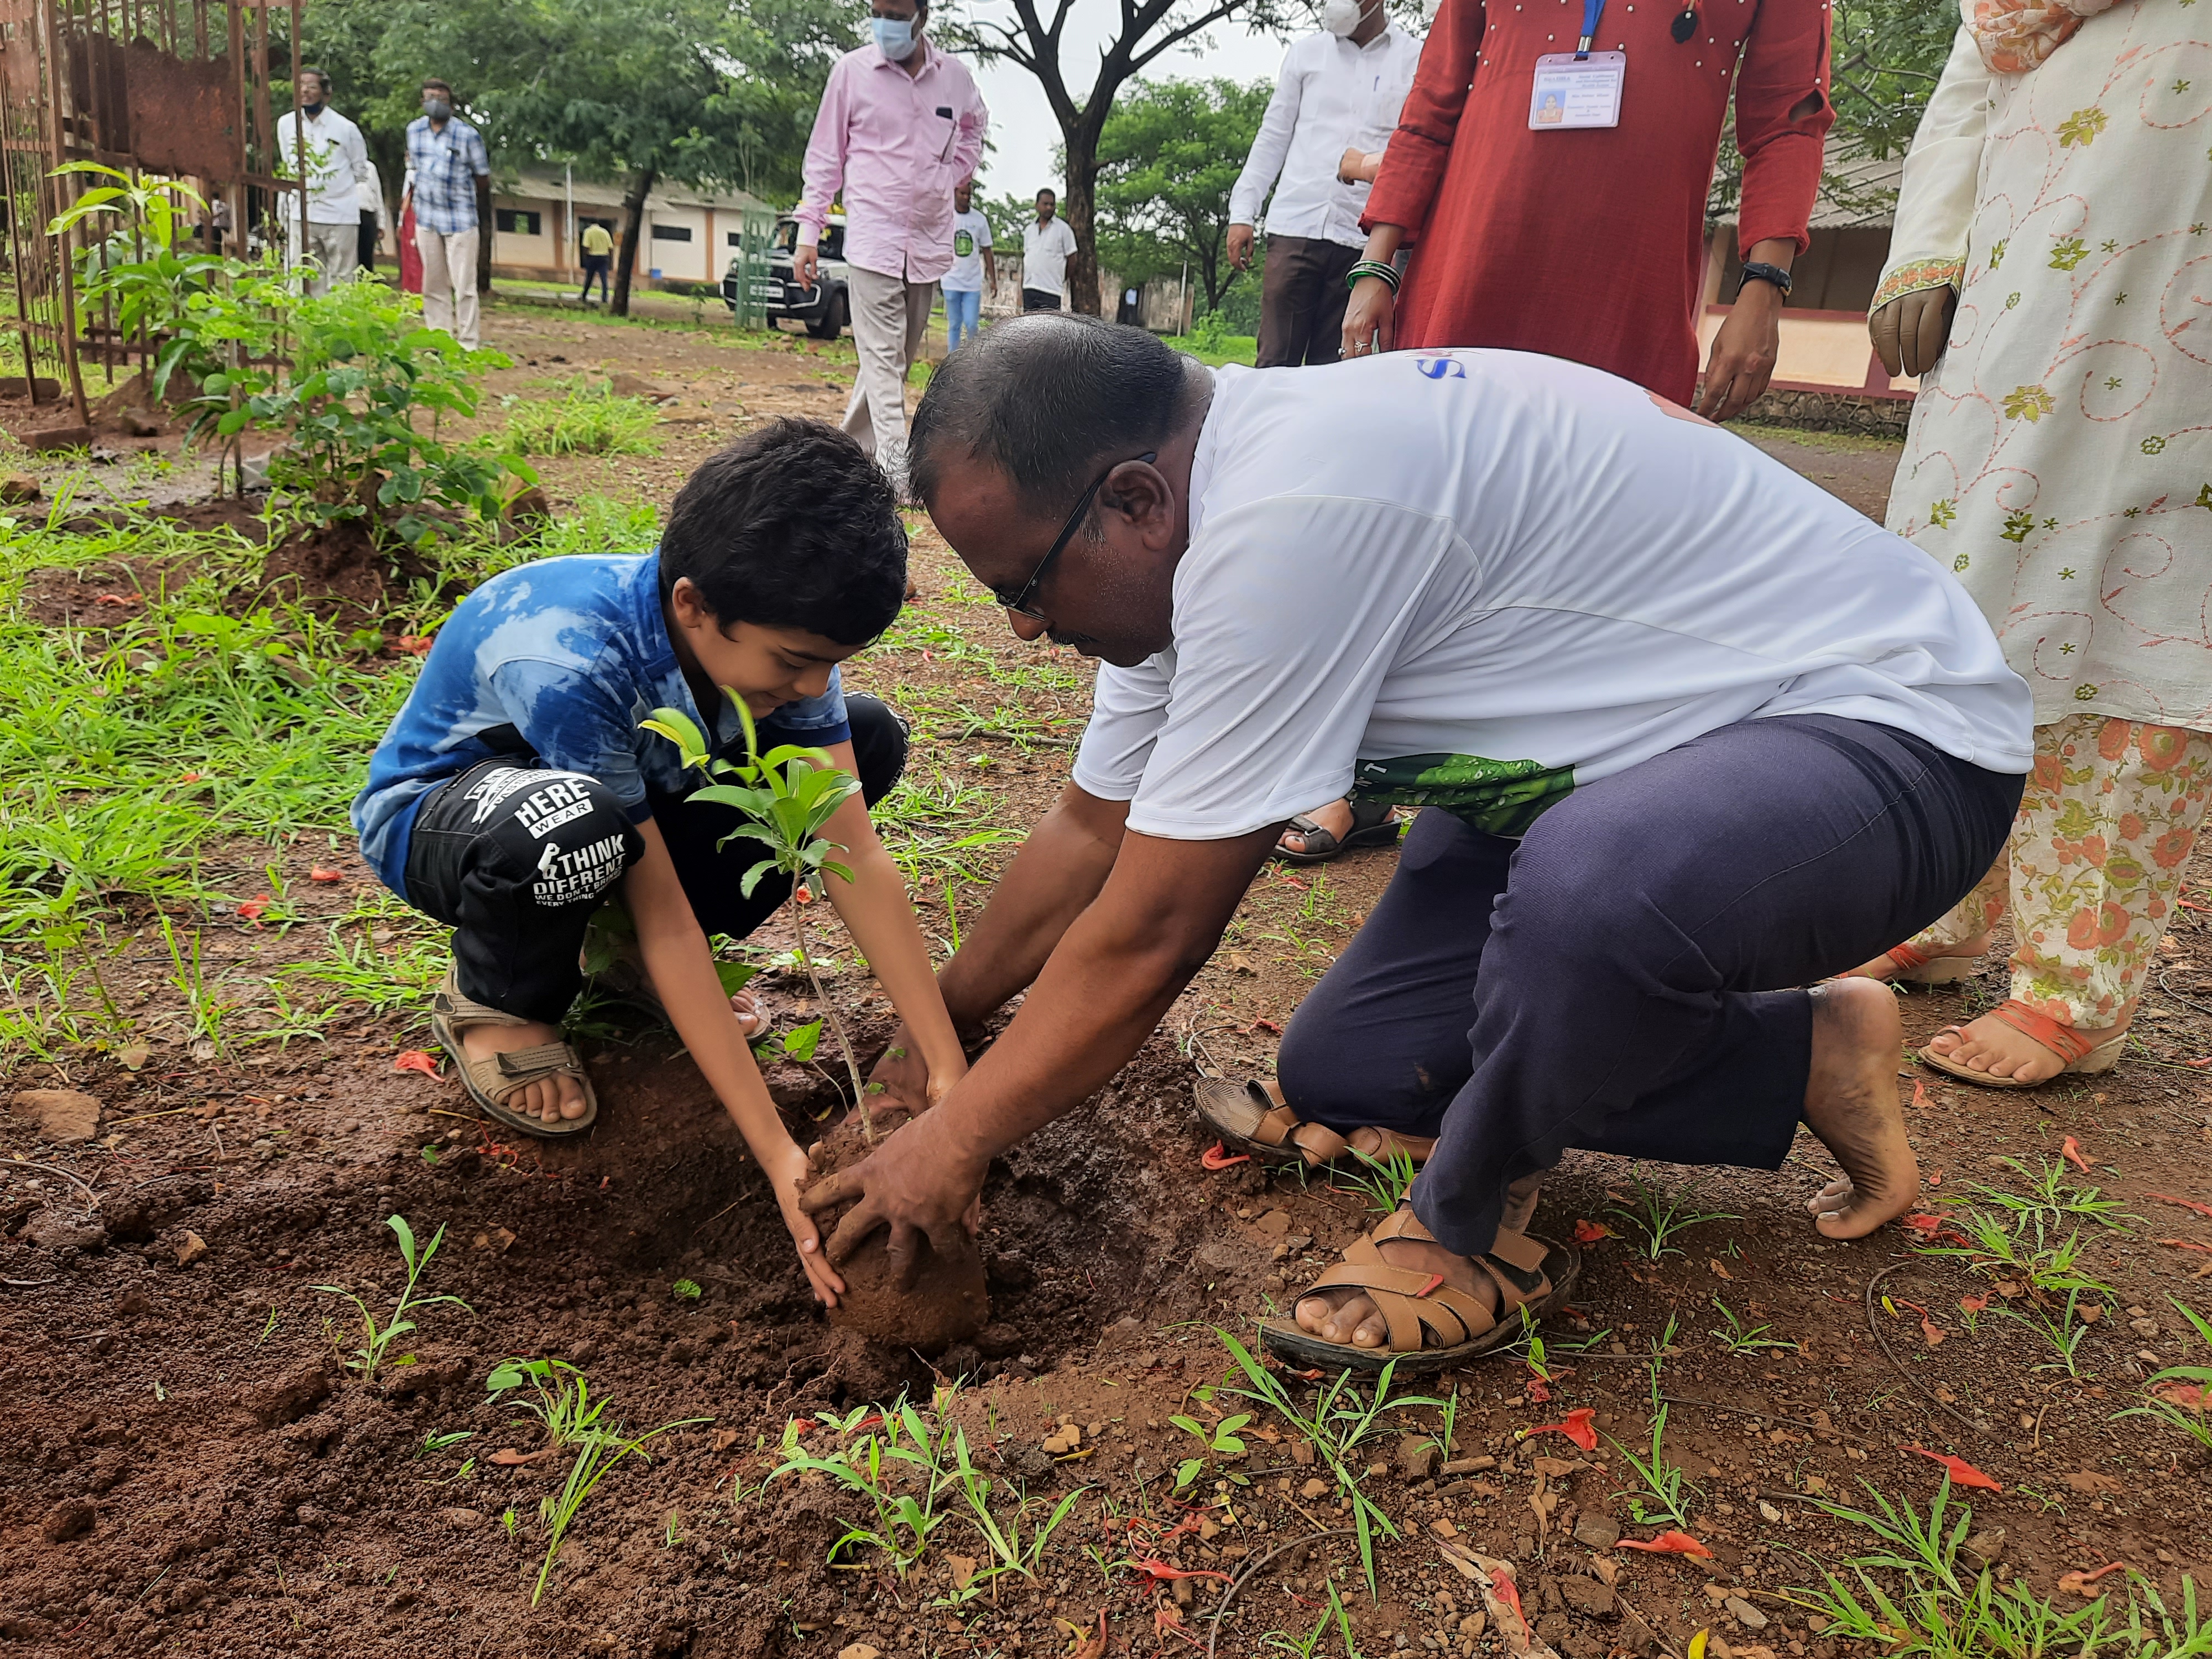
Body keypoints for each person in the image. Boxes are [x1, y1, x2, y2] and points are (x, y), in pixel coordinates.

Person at [800, 316, 2031, 1366]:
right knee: (1358, 1067)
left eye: (1024, 586)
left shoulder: (1288, 515)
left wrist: (951, 1143)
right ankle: (1801, 1054)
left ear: (1133, 498)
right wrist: (936, 1032)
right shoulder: (1169, 545)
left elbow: (1154, 932)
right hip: (1620, 770)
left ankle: (1467, 1226)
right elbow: (1090, 831)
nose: (1019, 628)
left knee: (1588, 894)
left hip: (1884, 741)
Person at [349, 421, 969, 1304]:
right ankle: (499, 1002)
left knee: (860, 743)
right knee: (573, 824)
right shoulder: (571, 656)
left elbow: (852, 850)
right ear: (692, 605)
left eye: (826, 662)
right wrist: (779, 1155)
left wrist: (946, 1063)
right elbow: (669, 914)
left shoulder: (780, 630)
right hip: (457, 818)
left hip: (620, 807)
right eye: (794, 662)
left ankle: (617, 964)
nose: (809, 683)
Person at [1279, 0, 1835, 869]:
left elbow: (1789, 122)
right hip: (1470, 269)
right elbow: (1435, 102)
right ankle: (1370, 772)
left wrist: (1763, 284)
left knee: (1600, 529)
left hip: (1626, 286)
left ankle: (1548, 768)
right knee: (1425, 511)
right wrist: (1380, 260)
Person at [1847, 0, 2212, 1089]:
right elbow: (1971, 66)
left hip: (2179, 277)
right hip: (2020, 263)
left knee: (2139, 597)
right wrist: (1923, 248)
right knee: (1970, 583)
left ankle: (2074, 991)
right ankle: (1945, 905)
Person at [797, 0, 988, 487]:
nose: (886, 23)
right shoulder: (851, 73)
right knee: (883, 361)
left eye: (897, 14)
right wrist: (808, 235)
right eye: (878, 10)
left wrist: (952, 174)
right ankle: (894, 470)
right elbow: (824, 158)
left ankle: (844, 457)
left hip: (926, 241)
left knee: (891, 361)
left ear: (922, 14)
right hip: (872, 236)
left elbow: (974, 125)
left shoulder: (955, 79)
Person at [1225, 0, 1421, 368]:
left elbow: (1417, 148)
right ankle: (1264, 428)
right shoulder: (1306, 54)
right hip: (1296, 227)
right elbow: (1274, 136)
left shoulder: (1415, 60)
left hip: (1364, 238)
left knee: (1335, 370)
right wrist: (1242, 213)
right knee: (1274, 363)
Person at [401, 77, 491, 348]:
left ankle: (468, 341)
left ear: (451, 105)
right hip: (426, 217)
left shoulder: (468, 135)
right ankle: (440, 339)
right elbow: (414, 169)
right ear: (422, 102)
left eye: (441, 99)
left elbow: (482, 176)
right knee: (433, 283)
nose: (435, 103)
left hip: (460, 219)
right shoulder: (414, 131)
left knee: (464, 285)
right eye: (430, 97)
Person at [276, 69, 372, 296]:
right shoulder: (286, 124)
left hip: (340, 214)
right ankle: (307, 326)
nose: (305, 91)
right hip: (302, 212)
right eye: (301, 85)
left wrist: (335, 187)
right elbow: (288, 162)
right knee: (304, 277)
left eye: (312, 86)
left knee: (343, 276)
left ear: (326, 93)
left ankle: (340, 325)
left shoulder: (346, 128)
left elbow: (360, 170)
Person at [944, 178, 994, 351]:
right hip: (950, 279)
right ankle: (952, 360)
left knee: (972, 324)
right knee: (954, 324)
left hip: (972, 282)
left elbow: (987, 249)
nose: (966, 197)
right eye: (962, 193)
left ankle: (973, 359)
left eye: (968, 194)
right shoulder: (946, 216)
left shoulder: (979, 220)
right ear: (955, 193)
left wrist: (993, 279)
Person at [1018, 189, 1078, 312]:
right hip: (1029, 288)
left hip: (1051, 290)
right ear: (1037, 205)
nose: (1049, 207)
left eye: (1052, 204)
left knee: (1049, 329)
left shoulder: (1064, 229)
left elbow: (1072, 258)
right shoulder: (1029, 230)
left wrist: (1062, 278)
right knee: (1029, 329)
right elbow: (1027, 257)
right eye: (1046, 204)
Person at [358, 158, 390, 276]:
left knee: (366, 257)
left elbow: (378, 195)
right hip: (348, 214)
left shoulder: (370, 167)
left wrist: (381, 223)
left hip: (367, 214)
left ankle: (366, 287)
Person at [580, 218, 615, 305]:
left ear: (590, 224)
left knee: (589, 278)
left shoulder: (588, 231)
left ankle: (584, 295)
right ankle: (605, 298)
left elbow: (586, 246)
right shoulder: (605, 232)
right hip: (604, 257)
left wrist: (584, 259)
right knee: (604, 279)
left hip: (592, 257)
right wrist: (611, 261)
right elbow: (611, 248)